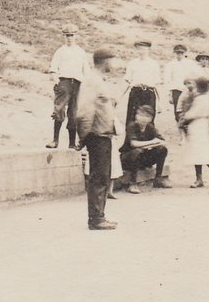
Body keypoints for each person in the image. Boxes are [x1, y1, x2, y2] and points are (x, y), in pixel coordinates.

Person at [73, 49, 123, 230]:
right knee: (98, 178)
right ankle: (95, 219)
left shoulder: (99, 80)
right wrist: (84, 136)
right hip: (97, 135)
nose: (115, 65)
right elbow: (84, 112)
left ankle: (99, 216)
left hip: (104, 134)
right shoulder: (92, 80)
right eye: (113, 61)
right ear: (105, 61)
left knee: (103, 176)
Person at [49, 25, 90, 149]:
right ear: (63, 36)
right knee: (59, 110)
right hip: (64, 82)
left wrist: (86, 85)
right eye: (67, 35)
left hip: (77, 84)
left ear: (76, 36)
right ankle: (55, 140)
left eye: (72, 35)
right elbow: (53, 70)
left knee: (73, 113)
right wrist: (58, 82)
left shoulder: (80, 52)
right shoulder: (60, 51)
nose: (69, 38)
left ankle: (72, 143)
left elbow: (86, 71)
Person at [178, 76, 209, 187]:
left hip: (198, 125)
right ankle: (199, 179)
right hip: (196, 125)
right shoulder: (204, 97)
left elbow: (193, 113)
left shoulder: (202, 99)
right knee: (196, 153)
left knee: (203, 152)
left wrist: (185, 118)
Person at [118, 106, 170, 194]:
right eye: (141, 115)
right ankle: (132, 183)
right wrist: (152, 142)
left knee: (162, 149)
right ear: (136, 116)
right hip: (128, 159)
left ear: (151, 119)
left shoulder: (150, 127)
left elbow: (162, 141)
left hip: (142, 158)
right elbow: (134, 144)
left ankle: (158, 178)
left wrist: (153, 143)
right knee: (137, 151)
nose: (143, 118)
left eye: (147, 116)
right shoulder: (132, 126)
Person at [125, 40, 162, 129]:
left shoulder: (153, 64)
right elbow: (127, 82)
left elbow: (157, 84)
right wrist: (119, 98)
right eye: (139, 49)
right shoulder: (132, 63)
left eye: (143, 49)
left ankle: (148, 141)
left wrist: (160, 102)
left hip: (149, 93)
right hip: (135, 93)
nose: (141, 51)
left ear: (148, 49)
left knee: (148, 118)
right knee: (132, 118)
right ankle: (130, 141)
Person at [164, 43, 194, 122]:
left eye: (181, 53)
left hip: (188, 90)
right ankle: (182, 132)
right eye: (177, 53)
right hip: (176, 91)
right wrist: (169, 95)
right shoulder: (171, 64)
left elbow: (193, 77)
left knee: (189, 111)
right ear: (175, 53)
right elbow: (168, 80)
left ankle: (189, 131)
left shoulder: (190, 63)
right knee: (178, 112)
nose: (179, 55)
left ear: (185, 53)